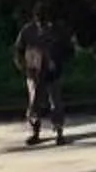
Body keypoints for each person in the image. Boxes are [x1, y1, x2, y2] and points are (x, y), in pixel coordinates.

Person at [14, 9, 73, 145]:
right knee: (34, 102)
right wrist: (24, 67)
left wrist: (57, 61)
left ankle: (59, 131)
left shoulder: (57, 31)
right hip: (34, 73)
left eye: (45, 21)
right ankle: (35, 132)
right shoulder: (27, 31)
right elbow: (19, 50)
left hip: (52, 72)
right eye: (40, 21)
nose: (43, 24)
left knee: (56, 102)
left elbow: (67, 49)